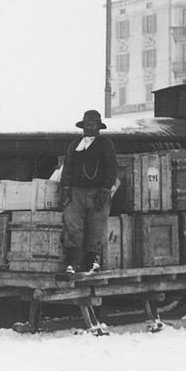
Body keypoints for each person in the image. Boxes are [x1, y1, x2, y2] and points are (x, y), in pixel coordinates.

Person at [60, 109, 118, 273]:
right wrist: (65, 188)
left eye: (93, 124)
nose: (89, 128)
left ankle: (92, 262)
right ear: (83, 126)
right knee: (72, 226)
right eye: (87, 124)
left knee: (96, 226)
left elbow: (112, 168)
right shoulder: (75, 145)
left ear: (99, 127)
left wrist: (106, 189)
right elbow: (68, 167)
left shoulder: (106, 144)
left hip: (98, 192)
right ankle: (72, 262)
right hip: (76, 192)